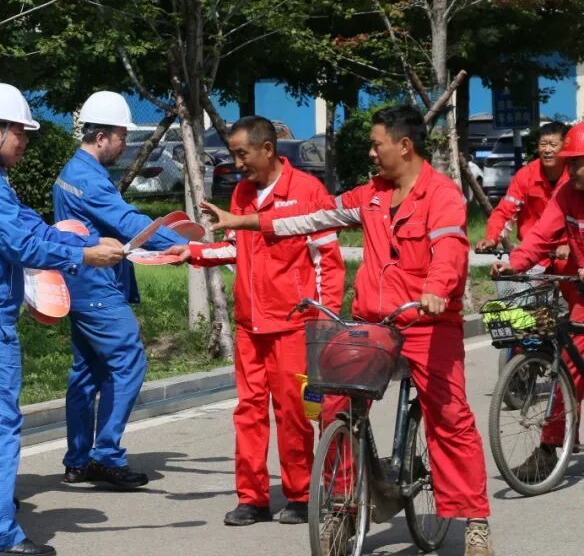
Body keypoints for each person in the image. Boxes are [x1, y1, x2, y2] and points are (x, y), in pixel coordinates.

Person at [197, 106, 493, 556]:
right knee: (335, 405)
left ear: (404, 146)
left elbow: (449, 248)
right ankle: (343, 505)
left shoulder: (442, 195)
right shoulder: (370, 196)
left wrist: (436, 289)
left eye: (376, 145)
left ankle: (475, 520)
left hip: (428, 324)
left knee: (450, 417)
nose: (371, 153)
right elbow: (310, 217)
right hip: (375, 324)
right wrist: (244, 222)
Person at [0, 83, 126, 555]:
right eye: (20, 133)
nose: (25, 143)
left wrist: (76, 238)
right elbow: (23, 245)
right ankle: (1, 535)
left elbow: (27, 225)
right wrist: (85, 255)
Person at [171, 116, 344, 526]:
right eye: (233, 154)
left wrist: (324, 320)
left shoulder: (307, 191)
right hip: (250, 326)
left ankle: (300, 494)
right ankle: (252, 497)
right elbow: (235, 248)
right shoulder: (242, 194)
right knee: (248, 412)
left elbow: (328, 262)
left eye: (241, 154)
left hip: (293, 326)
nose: (237, 163)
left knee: (294, 412)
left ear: (267, 149)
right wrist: (193, 253)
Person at [52, 91, 188, 491]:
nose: (124, 145)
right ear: (101, 137)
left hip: (79, 285)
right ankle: (106, 456)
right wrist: (184, 244)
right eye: (121, 137)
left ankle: (78, 460)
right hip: (96, 287)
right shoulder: (88, 179)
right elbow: (130, 223)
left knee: (87, 373)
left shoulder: (75, 171)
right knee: (129, 361)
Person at [492, 121, 584, 479]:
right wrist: (514, 264)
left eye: (577, 162)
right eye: (569, 161)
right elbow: (540, 236)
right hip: (581, 295)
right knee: (568, 368)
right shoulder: (566, 194)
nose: (571, 168)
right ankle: (549, 450)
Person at [476, 120, 569, 255]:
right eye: (543, 144)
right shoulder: (526, 175)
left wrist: (571, 245)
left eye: (553, 145)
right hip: (532, 251)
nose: (547, 150)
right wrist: (491, 238)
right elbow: (506, 210)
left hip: (568, 254)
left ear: (565, 146)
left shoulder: (575, 176)